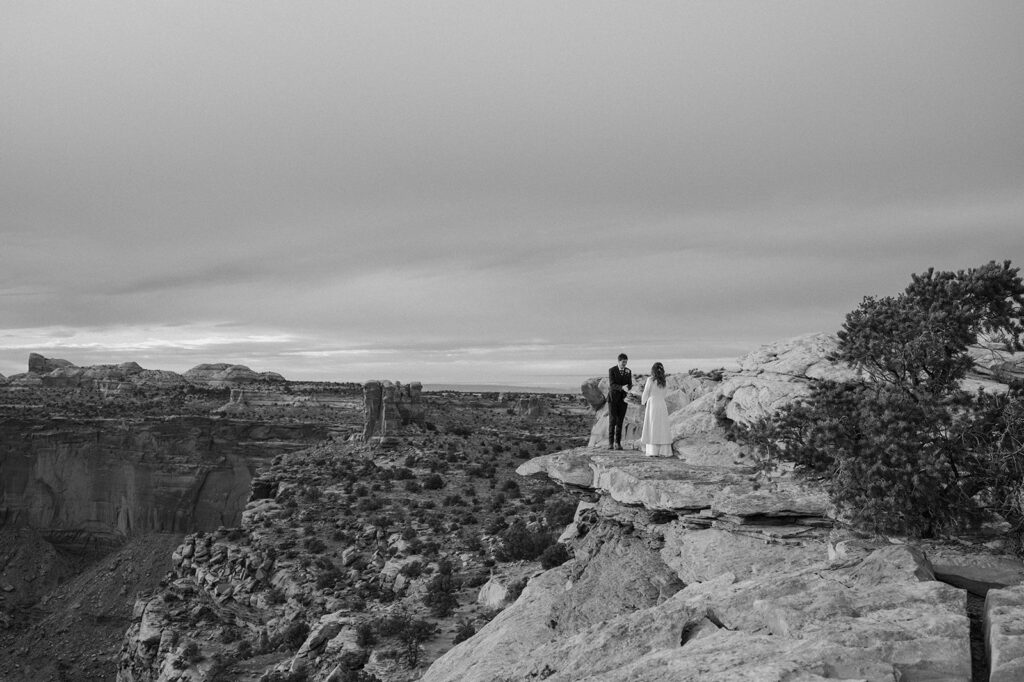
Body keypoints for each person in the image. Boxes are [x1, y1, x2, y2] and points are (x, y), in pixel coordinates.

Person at [640, 362, 672, 457]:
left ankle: (653, 451)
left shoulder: (650, 380)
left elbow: (645, 393)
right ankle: (664, 451)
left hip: (652, 404)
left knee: (652, 426)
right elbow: (665, 393)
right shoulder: (665, 381)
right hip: (661, 403)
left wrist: (643, 401)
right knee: (662, 426)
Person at [607, 353, 632, 450]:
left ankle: (618, 443)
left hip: (623, 399)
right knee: (612, 420)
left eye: (626, 362)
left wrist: (628, 389)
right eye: (623, 362)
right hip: (613, 399)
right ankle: (610, 443)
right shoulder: (612, 370)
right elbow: (612, 384)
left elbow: (630, 384)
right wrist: (622, 388)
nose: (624, 364)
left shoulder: (628, 371)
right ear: (619, 361)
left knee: (620, 421)